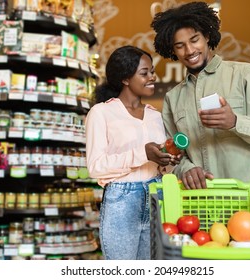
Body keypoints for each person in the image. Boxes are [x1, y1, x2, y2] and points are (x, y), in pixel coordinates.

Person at [150, 1, 250, 189]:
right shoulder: (172, 99)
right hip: (203, 204)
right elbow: (175, 154)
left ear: (207, 36)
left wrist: (234, 122)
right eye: (180, 45)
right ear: (173, 50)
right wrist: (186, 168)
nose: (189, 51)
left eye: (194, 39)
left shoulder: (247, 75)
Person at [85, 46, 181, 260]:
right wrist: (143, 153)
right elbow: (96, 166)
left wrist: (169, 159)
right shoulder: (101, 113)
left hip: (157, 194)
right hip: (121, 200)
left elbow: (160, 165)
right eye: (144, 73)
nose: (152, 77)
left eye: (152, 71)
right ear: (125, 78)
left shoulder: (155, 116)